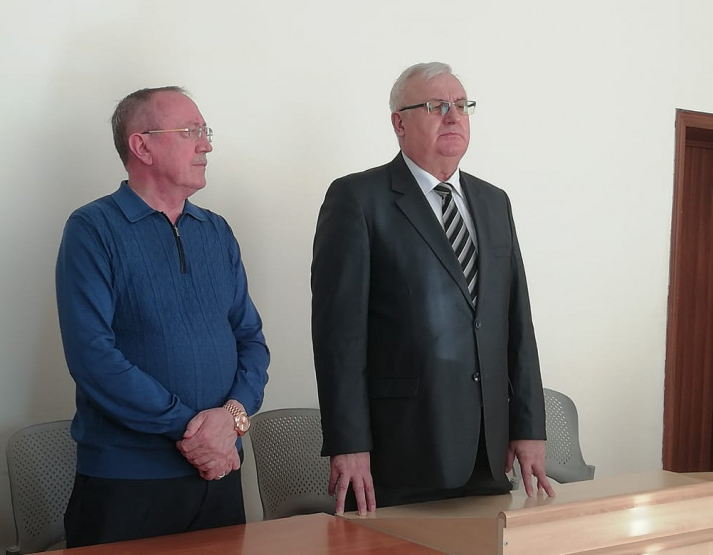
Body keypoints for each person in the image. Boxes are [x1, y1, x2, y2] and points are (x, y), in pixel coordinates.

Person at [311, 62, 554, 515]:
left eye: (461, 105)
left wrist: (528, 427)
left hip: (488, 448)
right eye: (437, 106)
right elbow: (338, 338)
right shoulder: (358, 199)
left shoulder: (494, 201)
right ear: (399, 123)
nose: (454, 116)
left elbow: (517, 323)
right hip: (403, 448)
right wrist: (349, 442)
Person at [56, 86, 270, 546]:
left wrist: (231, 418)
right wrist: (194, 432)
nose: (206, 145)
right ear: (142, 146)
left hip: (219, 473)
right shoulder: (93, 229)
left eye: (206, 132)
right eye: (190, 131)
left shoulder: (216, 231)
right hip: (127, 482)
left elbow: (250, 340)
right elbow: (93, 357)